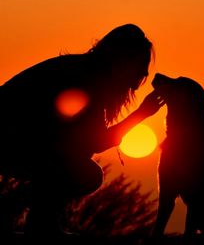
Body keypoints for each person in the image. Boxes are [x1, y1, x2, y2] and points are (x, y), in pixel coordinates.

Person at [0, 24, 164, 236]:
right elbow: (96, 141)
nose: (143, 74)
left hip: (20, 138)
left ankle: (38, 218)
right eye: (140, 66)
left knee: (76, 159)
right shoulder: (87, 80)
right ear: (122, 61)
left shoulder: (83, 71)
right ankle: (40, 222)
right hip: (10, 138)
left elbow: (83, 141)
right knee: (85, 173)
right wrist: (141, 114)